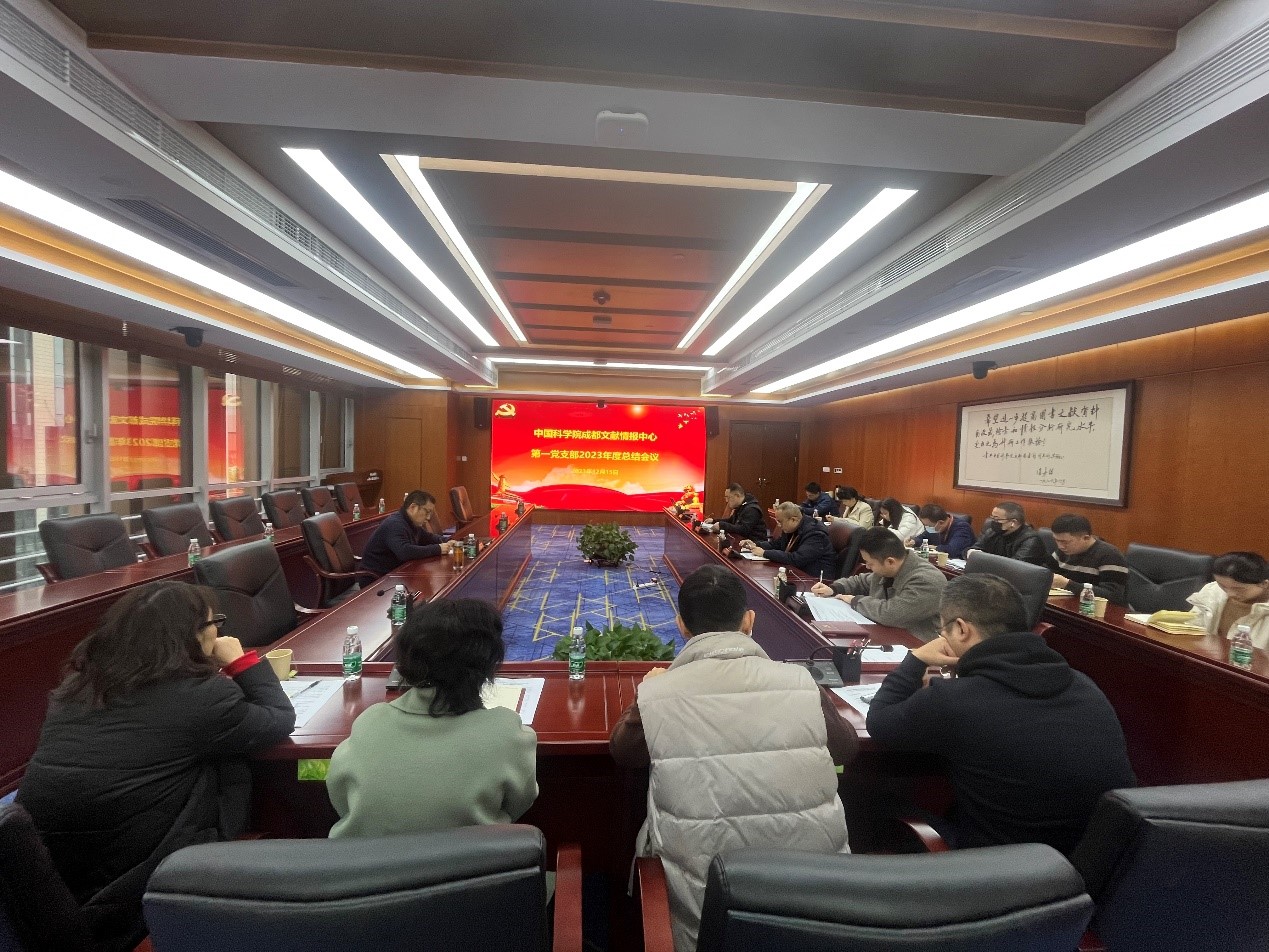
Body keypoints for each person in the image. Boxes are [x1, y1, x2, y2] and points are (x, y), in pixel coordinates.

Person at [17, 581, 295, 948]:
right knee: (228, 760)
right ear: (192, 636)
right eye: (216, 623)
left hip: (54, 885)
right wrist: (241, 662)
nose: (219, 632)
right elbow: (278, 718)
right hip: (139, 892)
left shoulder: (76, 688)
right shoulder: (201, 698)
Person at [610, 566, 856, 952]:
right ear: (749, 621)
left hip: (708, 927)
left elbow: (624, 754)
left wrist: (646, 698)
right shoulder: (802, 683)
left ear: (681, 626)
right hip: (820, 917)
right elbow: (845, 750)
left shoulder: (658, 694)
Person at [866, 574, 1135, 854]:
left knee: (870, 795)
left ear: (962, 629)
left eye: (942, 630)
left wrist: (915, 659)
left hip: (1001, 867)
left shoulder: (954, 700)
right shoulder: (1084, 684)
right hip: (1092, 862)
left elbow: (880, 722)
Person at [327, 599, 537, 837]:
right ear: (488, 666)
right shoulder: (507, 732)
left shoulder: (368, 723)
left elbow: (340, 798)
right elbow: (519, 803)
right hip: (474, 861)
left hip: (367, 861)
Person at [811, 527, 945, 640]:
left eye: (870, 563)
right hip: (883, 633)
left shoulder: (927, 580)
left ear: (890, 561)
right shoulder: (888, 569)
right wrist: (834, 588)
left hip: (914, 643)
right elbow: (861, 581)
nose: (867, 567)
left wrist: (855, 600)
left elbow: (891, 614)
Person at [360, 489, 461, 575]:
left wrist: (448, 541)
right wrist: (438, 549)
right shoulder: (395, 524)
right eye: (427, 512)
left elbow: (428, 538)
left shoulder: (411, 522)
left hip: (395, 574)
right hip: (375, 579)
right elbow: (405, 552)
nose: (429, 517)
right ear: (413, 507)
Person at [1187, 551, 1269, 649]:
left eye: (1239, 589)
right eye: (1222, 586)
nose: (1230, 594)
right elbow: (1191, 628)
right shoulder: (1213, 591)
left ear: (1264, 584)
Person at [740, 501, 834, 579]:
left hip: (814, 579)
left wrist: (764, 553)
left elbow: (797, 559)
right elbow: (776, 544)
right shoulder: (793, 528)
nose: (779, 525)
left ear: (793, 520)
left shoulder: (815, 533)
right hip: (795, 572)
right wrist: (756, 545)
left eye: (780, 522)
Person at [1049, 513, 1130, 604]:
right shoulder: (1062, 552)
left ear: (1086, 538)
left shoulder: (1111, 556)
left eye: (1065, 542)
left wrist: (1068, 584)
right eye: (1057, 540)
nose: (1060, 546)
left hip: (1100, 609)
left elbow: (1113, 596)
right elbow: (1047, 573)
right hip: (1068, 604)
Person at [968, 501, 1049, 566]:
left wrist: (982, 558)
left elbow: (1014, 566)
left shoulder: (1031, 540)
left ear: (1013, 522)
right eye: (992, 518)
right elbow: (973, 549)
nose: (993, 522)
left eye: (997, 519)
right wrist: (971, 552)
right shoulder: (992, 532)